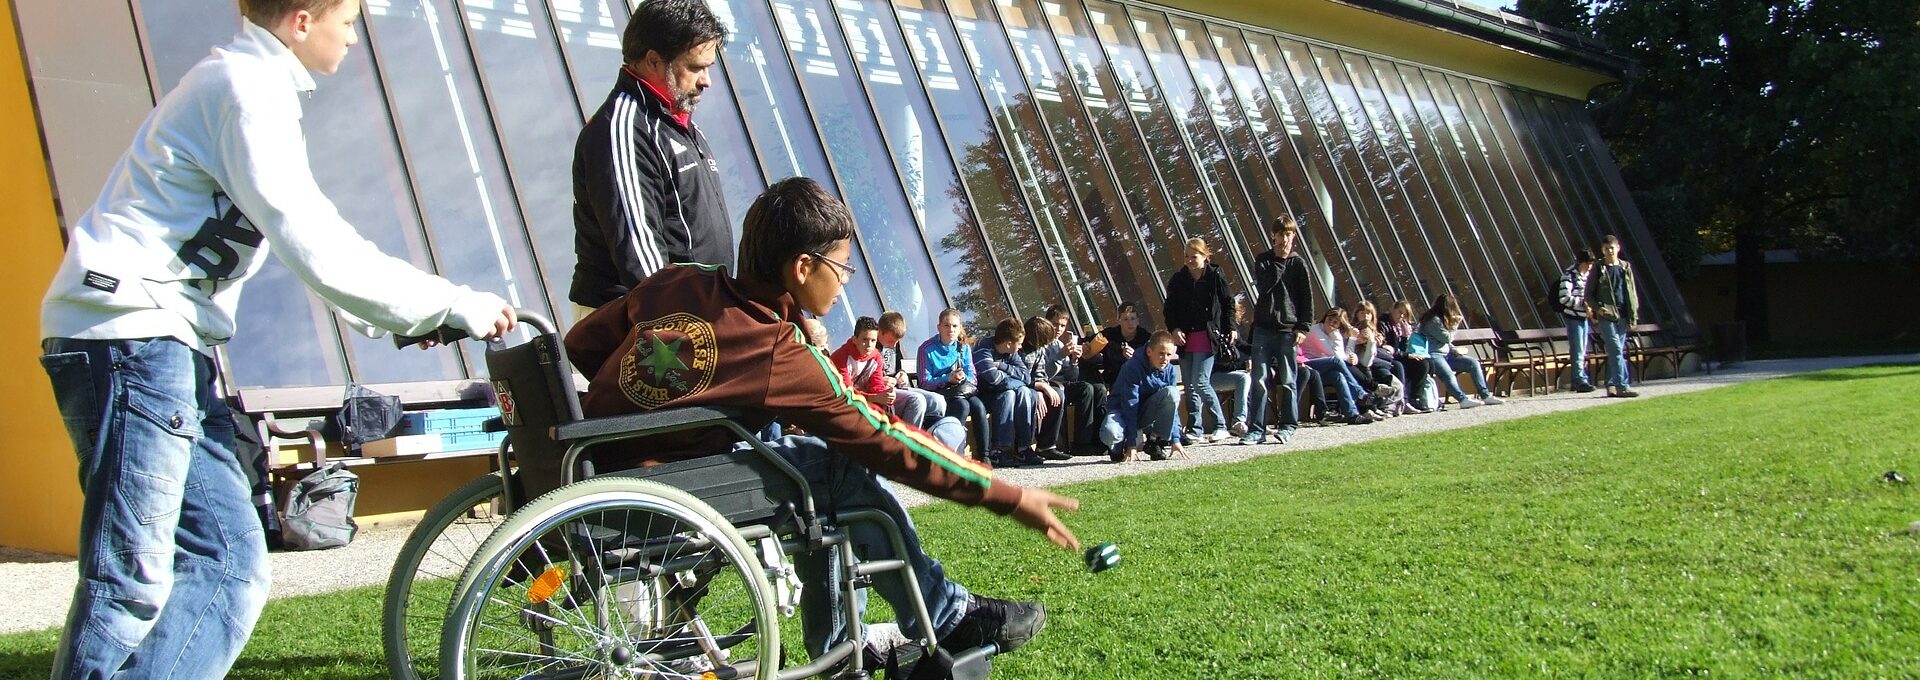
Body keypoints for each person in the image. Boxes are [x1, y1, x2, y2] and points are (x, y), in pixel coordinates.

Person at [36, 1, 518, 675]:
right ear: (300, 19)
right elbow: (314, 245)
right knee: (131, 581)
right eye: (346, 19)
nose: (353, 35)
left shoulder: (250, 89)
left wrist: (414, 315)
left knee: (228, 562)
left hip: (159, 343)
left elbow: (314, 247)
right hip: (131, 339)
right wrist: (452, 303)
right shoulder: (244, 91)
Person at [565, 177, 1079, 664]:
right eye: (843, 268)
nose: (844, 284)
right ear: (804, 268)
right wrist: (1005, 494)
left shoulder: (678, 281)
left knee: (813, 466)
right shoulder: (776, 351)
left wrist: (660, 410)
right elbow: (882, 437)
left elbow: (582, 345)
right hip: (664, 490)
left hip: (591, 470)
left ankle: (842, 640)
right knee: (837, 468)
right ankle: (943, 617)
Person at [571, 0, 735, 311]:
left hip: (691, 316)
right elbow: (640, 254)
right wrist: (685, 325)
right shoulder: (622, 130)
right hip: (637, 328)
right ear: (653, 61)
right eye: (695, 67)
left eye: (708, 68)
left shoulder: (677, 124)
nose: (706, 81)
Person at [831, 318, 966, 453]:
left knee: (938, 401)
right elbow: (846, 393)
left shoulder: (875, 355)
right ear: (855, 339)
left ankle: (929, 443)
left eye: (872, 341)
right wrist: (877, 397)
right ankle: (905, 449)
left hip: (882, 393)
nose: (869, 345)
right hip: (848, 404)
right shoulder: (842, 357)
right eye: (865, 340)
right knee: (917, 401)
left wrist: (887, 394)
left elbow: (877, 385)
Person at [1163, 238, 1237, 444]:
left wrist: (1230, 327)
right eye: (1186, 256)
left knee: (1201, 381)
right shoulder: (1178, 280)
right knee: (1190, 385)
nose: (1189, 261)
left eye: (1193, 257)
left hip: (1207, 336)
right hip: (1186, 338)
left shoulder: (1215, 276)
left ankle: (1220, 425)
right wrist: (1175, 329)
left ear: (1205, 257)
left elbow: (1228, 303)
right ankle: (1195, 427)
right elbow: (1169, 309)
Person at [1250, 216, 1314, 444]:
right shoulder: (1264, 260)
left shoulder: (1299, 264)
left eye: (1289, 234)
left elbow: (1306, 299)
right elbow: (1265, 286)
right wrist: (1279, 260)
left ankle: (1287, 425)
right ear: (1273, 236)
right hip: (1263, 329)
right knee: (1259, 379)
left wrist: (1303, 327)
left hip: (1288, 330)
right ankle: (1256, 428)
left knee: (1288, 379)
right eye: (1281, 234)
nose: (1285, 239)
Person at [1099, 331, 1189, 462]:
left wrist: (1176, 439)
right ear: (1149, 352)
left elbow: (1172, 406)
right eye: (1161, 354)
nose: (1165, 359)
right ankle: (1117, 448)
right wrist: (1132, 444)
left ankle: (1154, 441)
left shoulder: (1169, 370)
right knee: (1111, 433)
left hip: (1146, 413)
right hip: (1122, 410)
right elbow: (1130, 405)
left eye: (1169, 355)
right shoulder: (1132, 367)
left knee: (1172, 393)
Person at [920, 309, 992, 462]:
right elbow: (925, 382)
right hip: (940, 392)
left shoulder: (963, 348)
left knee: (978, 406)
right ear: (939, 327)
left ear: (959, 328)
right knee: (962, 405)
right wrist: (947, 378)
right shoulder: (926, 349)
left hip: (960, 390)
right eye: (946, 325)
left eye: (954, 326)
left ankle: (984, 456)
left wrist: (963, 377)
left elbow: (972, 376)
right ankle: (954, 454)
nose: (950, 330)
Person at [1417, 294, 1506, 409]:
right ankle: (1462, 399)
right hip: (1434, 355)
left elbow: (1446, 342)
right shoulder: (1433, 320)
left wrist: (1453, 349)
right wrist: (1455, 325)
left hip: (1446, 354)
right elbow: (1446, 338)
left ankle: (1485, 395)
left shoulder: (1441, 319)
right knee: (1448, 374)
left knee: (1473, 363)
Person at [1040, 305, 1107, 454]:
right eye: (1055, 324)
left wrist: (1074, 361)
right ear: (1047, 322)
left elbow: (1071, 377)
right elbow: (1043, 373)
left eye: (1062, 325)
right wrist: (1061, 355)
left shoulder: (1060, 344)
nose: (1058, 329)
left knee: (1093, 388)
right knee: (1086, 389)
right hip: (1047, 385)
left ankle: (1095, 440)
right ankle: (1081, 443)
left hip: (1062, 384)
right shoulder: (1041, 344)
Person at [974, 318, 1040, 467]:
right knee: (1010, 393)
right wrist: (1013, 378)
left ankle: (1024, 447)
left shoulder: (1011, 353)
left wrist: (1003, 366)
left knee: (1024, 391)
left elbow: (1027, 377)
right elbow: (995, 380)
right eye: (1020, 343)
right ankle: (1000, 449)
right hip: (985, 395)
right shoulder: (983, 349)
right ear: (1009, 343)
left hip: (1001, 392)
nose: (1021, 347)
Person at [1300, 308, 1379, 424]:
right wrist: (1335, 336)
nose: (1331, 322)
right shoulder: (1316, 331)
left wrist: (1350, 342)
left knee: (1339, 376)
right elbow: (1336, 357)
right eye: (1330, 319)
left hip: (1321, 370)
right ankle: (1360, 393)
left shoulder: (1334, 333)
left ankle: (1352, 414)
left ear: (1339, 324)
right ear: (1325, 317)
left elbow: (1342, 356)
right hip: (1309, 364)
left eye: (1335, 322)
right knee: (1336, 361)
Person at [1586, 236, 1640, 398]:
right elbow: (1588, 294)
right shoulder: (1599, 267)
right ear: (1603, 250)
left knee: (1616, 351)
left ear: (1618, 248)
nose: (1610, 251)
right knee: (1616, 350)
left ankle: (1611, 384)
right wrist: (1599, 309)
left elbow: (1632, 292)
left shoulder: (1625, 267)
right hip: (1607, 315)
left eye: (1612, 248)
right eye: (1606, 248)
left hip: (1623, 315)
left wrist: (1633, 316)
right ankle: (1623, 386)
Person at [875, 310, 946, 428]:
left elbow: (897, 368)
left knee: (938, 400)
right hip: (883, 392)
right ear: (880, 333)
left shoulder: (892, 345)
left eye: (897, 342)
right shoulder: (871, 346)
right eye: (890, 341)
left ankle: (931, 436)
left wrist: (901, 374)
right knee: (917, 401)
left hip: (898, 387)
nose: (893, 345)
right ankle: (908, 442)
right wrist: (881, 380)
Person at [1021, 316, 1073, 461]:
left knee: (1057, 395)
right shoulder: (1019, 349)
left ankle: (1047, 445)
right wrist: (1037, 388)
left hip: (1035, 385)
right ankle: (1024, 447)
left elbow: (1041, 372)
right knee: (1030, 396)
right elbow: (1018, 376)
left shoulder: (1039, 349)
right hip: (1021, 388)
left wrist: (1043, 386)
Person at [1380, 300, 1435, 413]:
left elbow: (1403, 348)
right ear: (1393, 309)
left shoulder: (1402, 326)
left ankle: (1423, 396)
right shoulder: (1384, 324)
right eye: (1399, 312)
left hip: (1401, 356)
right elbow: (1390, 349)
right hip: (1390, 358)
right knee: (1421, 365)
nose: (1401, 316)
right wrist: (1408, 355)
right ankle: (1412, 398)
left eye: (1404, 314)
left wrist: (1405, 337)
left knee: (1429, 362)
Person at [1558, 249, 1598, 393]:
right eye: (1588, 264)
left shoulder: (1587, 276)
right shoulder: (1569, 276)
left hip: (1584, 317)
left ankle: (1581, 378)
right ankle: (1579, 379)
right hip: (1574, 317)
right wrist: (1582, 303)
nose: (1590, 267)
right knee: (1577, 349)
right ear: (1581, 262)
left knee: (1582, 349)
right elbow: (1564, 298)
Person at [1084, 301, 1151, 386]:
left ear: (1138, 320)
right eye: (1125, 319)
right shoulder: (1109, 335)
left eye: (1133, 319)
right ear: (1119, 320)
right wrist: (1085, 346)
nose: (1130, 323)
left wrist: (1135, 357)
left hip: (1137, 381)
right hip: (1112, 380)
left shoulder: (1146, 338)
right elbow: (1087, 342)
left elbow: (1152, 363)